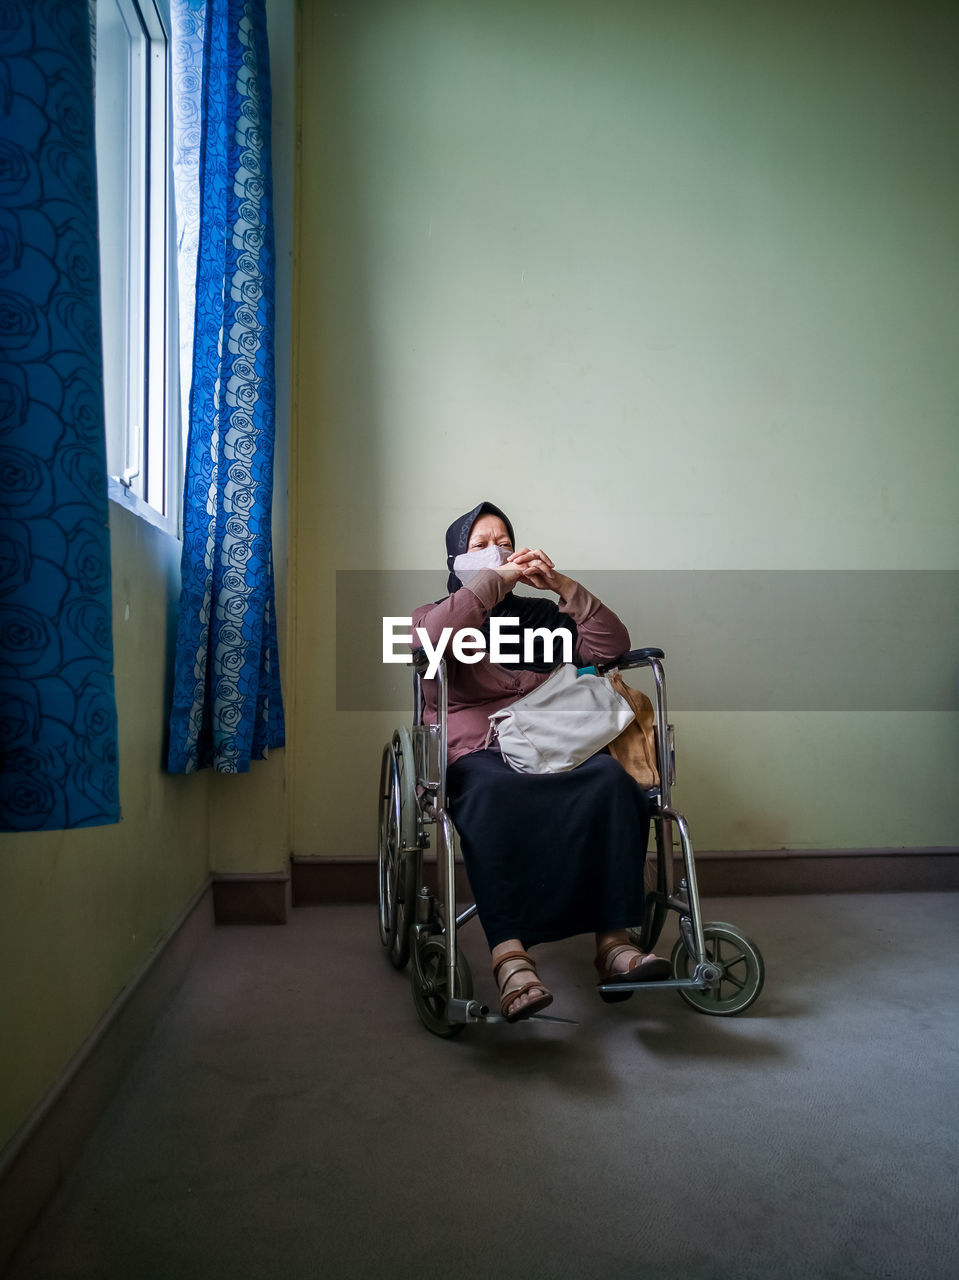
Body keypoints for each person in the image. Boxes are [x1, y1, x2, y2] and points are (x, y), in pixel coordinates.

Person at [412, 501, 670, 1023]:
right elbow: (429, 643)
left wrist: (561, 586)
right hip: (480, 751)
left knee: (612, 784)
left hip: (553, 742)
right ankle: (510, 955)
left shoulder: (543, 618)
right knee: (490, 793)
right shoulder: (434, 617)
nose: (496, 550)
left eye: (504, 541)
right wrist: (495, 581)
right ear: (455, 558)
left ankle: (615, 945)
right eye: (481, 544)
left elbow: (612, 645)